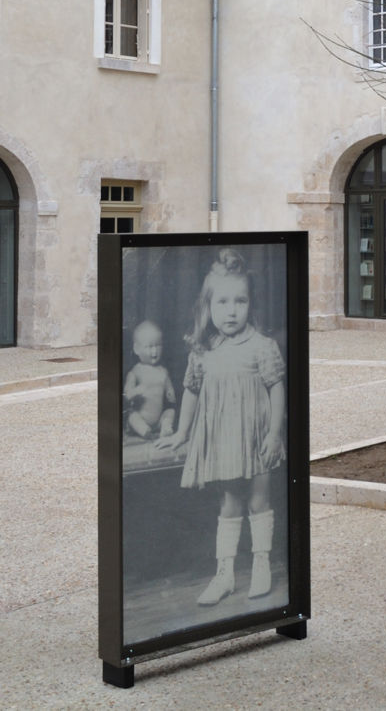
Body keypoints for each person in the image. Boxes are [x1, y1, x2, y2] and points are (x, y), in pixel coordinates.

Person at [159, 248, 286, 605]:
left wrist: (274, 435)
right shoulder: (202, 351)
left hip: (258, 437)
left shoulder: (263, 347)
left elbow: (277, 390)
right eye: (223, 302)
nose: (232, 310)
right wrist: (181, 433)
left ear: (250, 304)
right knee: (230, 503)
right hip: (223, 440)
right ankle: (225, 574)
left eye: (240, 301)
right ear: (208, 307)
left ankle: (261, 565)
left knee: (259, 501)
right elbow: (191, 390)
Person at [122, 320, 176, 440]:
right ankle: (146, 432)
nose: (154, 351)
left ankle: (165, 427)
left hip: (158, 419)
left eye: (158, 345)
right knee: (132, 416)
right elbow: (126, 395)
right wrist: (135, 392)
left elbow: (170, 391)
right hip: (141, 418)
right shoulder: (135, 371)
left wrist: (170, 393)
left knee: (170, 412)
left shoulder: (163, 371)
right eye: (149, 346)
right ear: (136, 349)